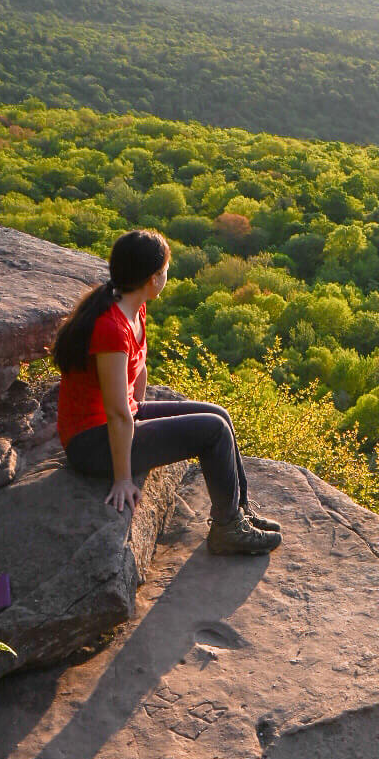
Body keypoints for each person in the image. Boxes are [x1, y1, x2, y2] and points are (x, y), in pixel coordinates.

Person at [54, 229, 281, 555]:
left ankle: (238, 509)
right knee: (212, 431)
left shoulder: (132, 305)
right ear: (150, 279)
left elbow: (137, 372)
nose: (167, 276)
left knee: (219, 414)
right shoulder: (111, 328)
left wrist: (144, 415)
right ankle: (227, 530)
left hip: (118, 419)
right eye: (163, 271)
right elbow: (117, 413)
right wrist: (123, 478)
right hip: (91, 443)